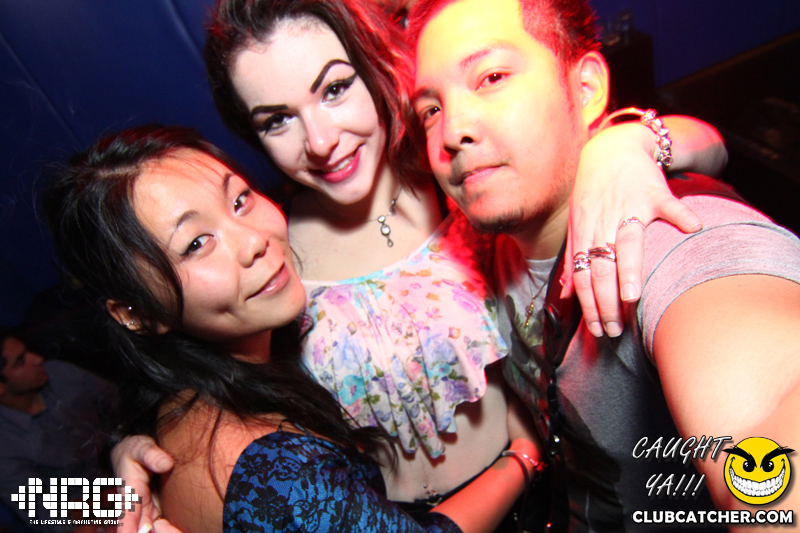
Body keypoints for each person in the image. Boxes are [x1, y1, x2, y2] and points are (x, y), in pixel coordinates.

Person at [116, 0, 730, 530]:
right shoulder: (266, 252)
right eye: (277, 120)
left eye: (335, 89)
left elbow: (709, 144)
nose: (321, 141)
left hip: (546, 489)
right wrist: (107, 492)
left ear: (376, 68)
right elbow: (182, 384)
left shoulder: (461, 174)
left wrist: (626, 144)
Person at [408, 0, 800, 529]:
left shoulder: (671, 244)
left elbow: (772, 402)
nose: (452, 130)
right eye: (430, 110)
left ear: (586, 87)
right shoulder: (484, 241)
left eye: (492, 77)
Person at [44, 124, 545, 533]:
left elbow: (43, 501)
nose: (254, 241)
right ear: (134, 314)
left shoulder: (180, 405)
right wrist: (523, 456)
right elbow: (24, 500)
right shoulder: (276, 470)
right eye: (196, 243)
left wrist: (110, 496)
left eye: (240, 200)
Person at [0, 327, 117, 533]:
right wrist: (110, 500)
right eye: (20, 361)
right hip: (87, 513)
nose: (37, 359)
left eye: (28, 351)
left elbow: (123, 404)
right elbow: (44, 513)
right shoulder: (4, 443)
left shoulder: (59, 373)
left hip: (123, 463)